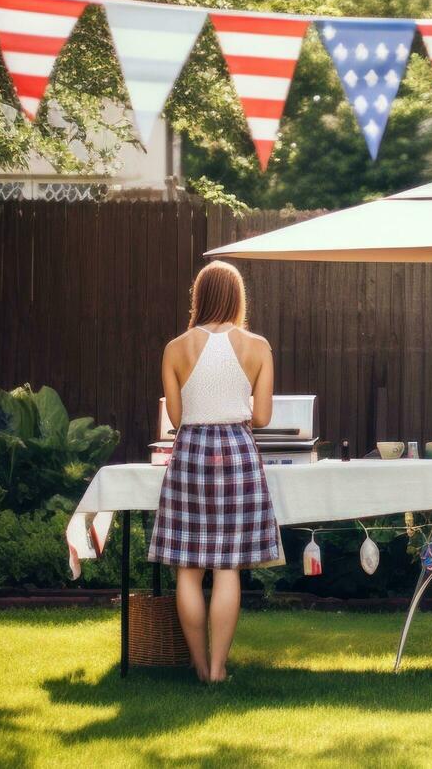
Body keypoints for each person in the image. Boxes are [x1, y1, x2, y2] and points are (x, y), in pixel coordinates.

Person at [149, 261, 280, 683]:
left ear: (199, 297)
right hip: (238, 452)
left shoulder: (175, 348)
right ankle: (220, 669)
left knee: (188, 568)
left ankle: (200, 666)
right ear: (238, 297)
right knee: (227, 567)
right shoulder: (258, 346)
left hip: (190, 453)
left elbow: (175, 416)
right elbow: (261, 416)